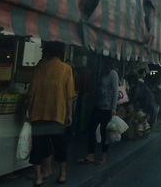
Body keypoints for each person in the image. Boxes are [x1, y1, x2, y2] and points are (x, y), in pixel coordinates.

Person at [26, 41, 75, 186]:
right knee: (59, 145)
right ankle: (62, 174)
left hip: (38, 113)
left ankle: (38, 178)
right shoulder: (66, 69)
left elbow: (31, 91)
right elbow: (69, 94)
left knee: (38, 146)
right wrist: (70, 113)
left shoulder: (40, 67)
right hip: (57, 114)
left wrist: (27, 110)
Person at [79, 57, 118, 165]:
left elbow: (116, 91)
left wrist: (113, 107)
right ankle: (90, 154)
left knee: (105, 132)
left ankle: (103, 156)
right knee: (91, 129)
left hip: (107, 108)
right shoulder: (101, 74)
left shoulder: (113, 74)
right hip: (98, 106)